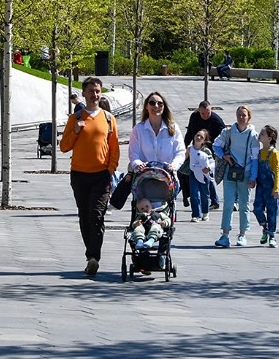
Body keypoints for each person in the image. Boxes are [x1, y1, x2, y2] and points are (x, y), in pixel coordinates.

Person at [59, 77, 120, 277]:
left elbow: (115, 148)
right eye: (91, 91)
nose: (95, 95)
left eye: (98, 91)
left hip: (101, 176)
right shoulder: (75, 118)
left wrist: (110, 170)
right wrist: (76, 131)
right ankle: (90, 257)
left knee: (96, 216)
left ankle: (94, 257)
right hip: (79, 175)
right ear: (83, 93)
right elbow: (64, 147)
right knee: (84, 217)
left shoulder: (109, 119)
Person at [213, 105, 259, 248]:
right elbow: (216, 145)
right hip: (230, 172)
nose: (241, 118)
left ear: (249, 118)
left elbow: (255, 158)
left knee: (244, 205)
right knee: (228, 204)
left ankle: (242, 234)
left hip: (245, 174)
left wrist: (253, 177)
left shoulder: (253, 135)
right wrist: (224, 156)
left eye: (244, 115)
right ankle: (225, 234)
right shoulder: (228, 132)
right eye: (239, 114)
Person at [181, 101, 225, 210]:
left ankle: (214, 200)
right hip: (196, 148)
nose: (205, 116)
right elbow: (190, 133)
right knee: (185, 171)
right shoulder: (194, 117)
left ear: (211, 110)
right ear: (199, 111)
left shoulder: (216, 120)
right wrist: (183, 147)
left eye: (208, 113)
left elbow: (224, 137)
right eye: (203, 113)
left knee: (208, 176)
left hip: (210, 150)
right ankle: (188, 197)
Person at [128, 92, 186, 174]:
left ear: (164, 107)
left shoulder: (174, 128)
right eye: (152, 103)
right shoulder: (138, 129)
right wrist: (138, 164)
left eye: (160, 103)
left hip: (168, 176)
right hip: (144, 178)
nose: (156, 106)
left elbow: (180, 151)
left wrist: (174, 165)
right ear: (146, 106)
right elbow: (133, 154)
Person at [252, 125, 279, 248]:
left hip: (271, 186)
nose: (260, 135)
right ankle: (265, 226)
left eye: (263, 134)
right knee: (257, 208)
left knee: (272, 211)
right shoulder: (259, 152)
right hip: (260, 186)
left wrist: (276, 188)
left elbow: (277, 170)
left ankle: (272, 236)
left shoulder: (274, 153)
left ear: (269, 138)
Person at [186, 129, 216, 223]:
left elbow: (212, 163)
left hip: (204, 175)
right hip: (193, 173)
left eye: (201, 137)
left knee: (204, 194)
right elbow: (182, 158)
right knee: (194, 194)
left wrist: (209, 168)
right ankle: (196, 214)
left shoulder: (206, 151)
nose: (198, 138)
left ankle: (205, 212)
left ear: (204, 140)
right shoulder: (190, 149)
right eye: (197, 135)